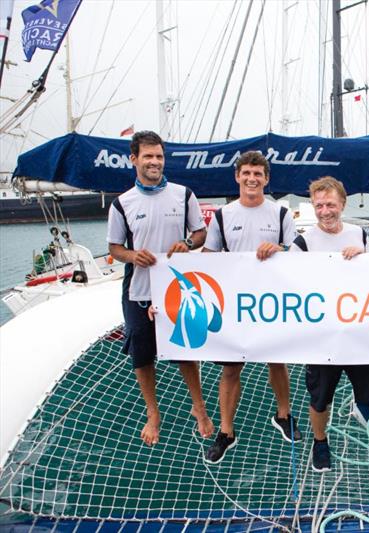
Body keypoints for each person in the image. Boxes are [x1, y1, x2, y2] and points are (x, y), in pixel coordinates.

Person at [291, 176, 369, 472]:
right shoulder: (303, 242)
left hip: (359, 332)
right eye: (319, 205)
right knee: (319, 398)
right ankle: (320, 443)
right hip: (323, 335)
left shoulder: (359, 233)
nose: (325, 211)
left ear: (342, 204)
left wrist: (363, 256)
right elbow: (288, 282)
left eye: (330, 204)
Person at [107, 130, 212, 446]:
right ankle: (153, 412)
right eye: (148, 156)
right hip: (139, 289)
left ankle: (199, 407)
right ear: (134, 159)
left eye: (159, 156)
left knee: (183, 349)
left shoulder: (183, 195)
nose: (155, 162)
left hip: (176, 288)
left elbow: (200, 233)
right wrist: (132, 255)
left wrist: (187, 243)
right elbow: (114, 248)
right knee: (142, 356)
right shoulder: (121, 203)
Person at [201, 151, 302, 464]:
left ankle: (283, 415)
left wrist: (281, 248)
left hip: (270, 300)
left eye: (258, 174)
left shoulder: (282, 214)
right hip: (234, 301)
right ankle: (226, 431)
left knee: (277, 360)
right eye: (246, 173)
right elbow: (207, 256)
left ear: (266, 179)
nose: (252, 179)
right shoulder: (222, 215)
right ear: (237, 177)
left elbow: (299, 253)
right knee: (231, 368)